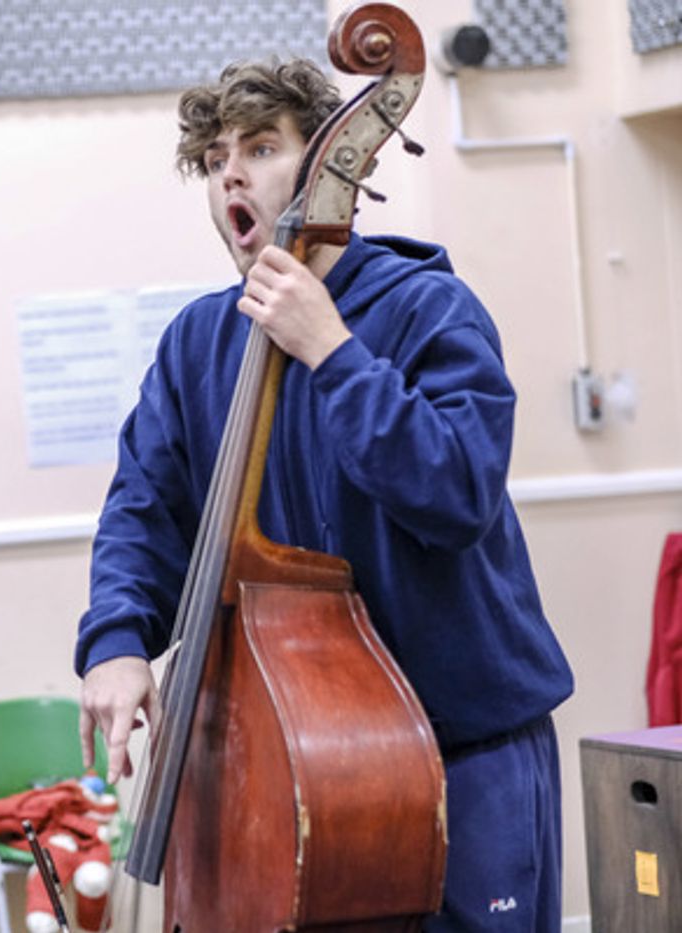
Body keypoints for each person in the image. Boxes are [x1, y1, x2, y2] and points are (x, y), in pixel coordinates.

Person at [75, 59, 573, 932]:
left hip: (464, 751)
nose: (231, 172)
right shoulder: (198, 341)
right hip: (293, 765)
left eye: (262, 147)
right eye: (215, 158)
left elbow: (456, 491)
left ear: (326, 170)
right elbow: (144, 508)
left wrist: (332, 351)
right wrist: (116, 641)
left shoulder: (429, 309)